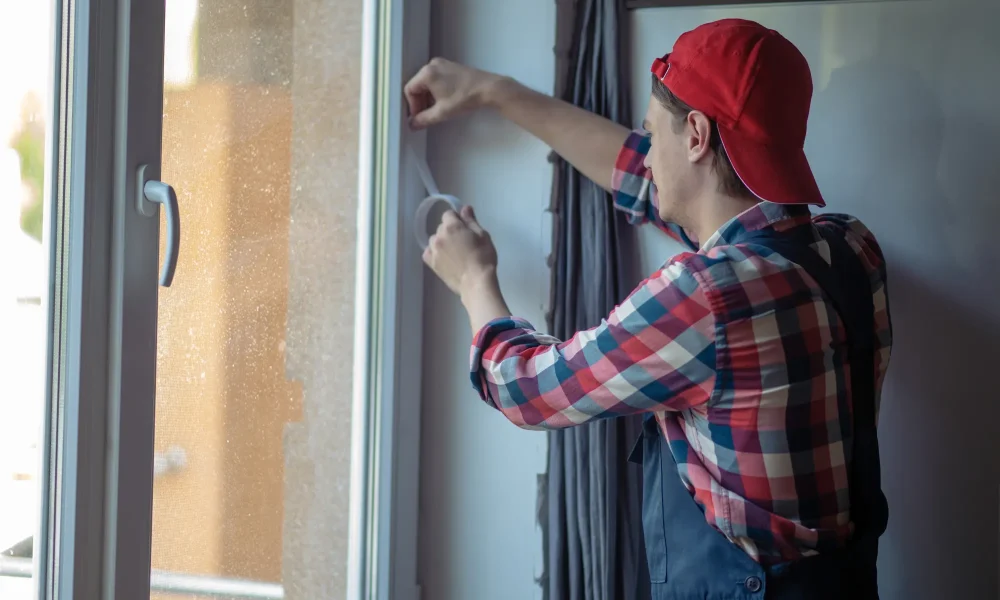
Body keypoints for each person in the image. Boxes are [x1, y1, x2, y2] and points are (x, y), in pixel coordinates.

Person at [405, 18, 891, 599]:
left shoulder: (705, 297)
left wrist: (474, 278)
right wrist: (496, 92)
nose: (647, 156)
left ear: (695, 135)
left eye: (652, 133)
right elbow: (650, 180)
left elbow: (525, 388)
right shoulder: (850, 249)